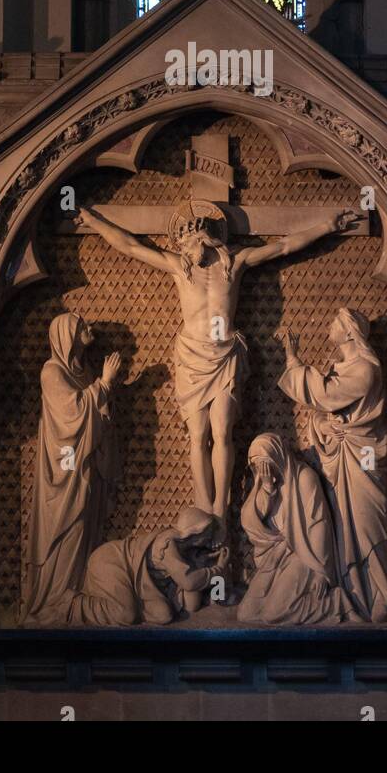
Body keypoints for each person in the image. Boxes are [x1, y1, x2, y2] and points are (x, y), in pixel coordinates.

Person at [76, 200, 360, 522]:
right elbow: (129, 246)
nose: (187, 247)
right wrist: (93, 220)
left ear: (207, 238)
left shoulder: (234, 263)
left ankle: (221, 509)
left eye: (191, 240)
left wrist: (327, 226)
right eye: (183, 241)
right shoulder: (178, 266)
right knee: (198, 435)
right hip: (192, 356)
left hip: (225, 354)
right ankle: (203, 506)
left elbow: (283, 247)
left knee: (223, 431)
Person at [277, 308, 387, 623]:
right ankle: (356, 596)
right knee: (345, 527)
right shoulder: (344, 369)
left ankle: (385, 598)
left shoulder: (365, 370)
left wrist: (294, 360)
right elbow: (328, 414)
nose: (328, 326)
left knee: (368, 524)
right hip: (339, 460)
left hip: (363, 460)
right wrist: (322, 426)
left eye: (335, 322)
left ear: (349, 332)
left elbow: (327, 396)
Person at [21, 313, 122, 627]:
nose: (88, 328)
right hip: (63, 473)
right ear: (67, 335)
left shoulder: (84, 371)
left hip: (85, 468)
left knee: (86, 530)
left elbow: (95, 418)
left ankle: (75, 595)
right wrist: (104, 384)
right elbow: (72, 415)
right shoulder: (52, 372)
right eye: (81, 325)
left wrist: (102, 399)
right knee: (68, 529)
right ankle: (53, 601)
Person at [239, 433, 347, 625]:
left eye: (265, 463)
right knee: (247, 614)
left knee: (274, 613)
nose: (263, 470)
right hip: (275, 556)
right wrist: (267, 489)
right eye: (257, 466)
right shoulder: (264, 484)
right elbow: (250, 520)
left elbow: (319, 526)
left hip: (303, 555)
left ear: (277, 456)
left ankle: (336, 603)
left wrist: (321, 571)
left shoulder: (305, 478)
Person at [58, 507, 227, 626]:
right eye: (209, 533)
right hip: (112, 561)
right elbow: (188, 582)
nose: (209, 539)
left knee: (164, 615)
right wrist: (218, 570)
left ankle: (131, 601)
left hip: (139, 583)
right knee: (126, 614)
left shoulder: (187, 550)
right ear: (196, 533)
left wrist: (200, 565)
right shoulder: (169, 544)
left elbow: (192, 605)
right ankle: (73, 605)